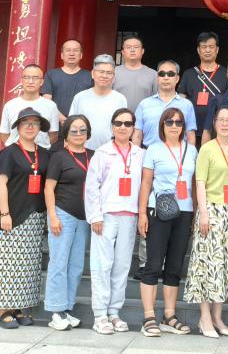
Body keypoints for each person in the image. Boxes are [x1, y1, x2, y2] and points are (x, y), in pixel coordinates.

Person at [184, 105, 228, 338]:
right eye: (221, 119)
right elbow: (200, 182)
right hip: (211, 210)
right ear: (214, 123)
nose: (225, 123)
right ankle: (205, 317)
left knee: (226, 264)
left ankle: (218, 317)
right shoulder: (207, 149)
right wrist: (203, 213)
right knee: (207, 264)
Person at [137, 107, 198, 337]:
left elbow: (195, 183)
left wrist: (196, 212)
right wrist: (142, 213)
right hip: (158, 210)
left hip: (184, 211)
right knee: (153, 264)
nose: (174, 126)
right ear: (162, 125)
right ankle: (149, 316)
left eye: (178, 122)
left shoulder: (192, 150)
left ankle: (169, 316)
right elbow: (146, 183)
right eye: (169, 122)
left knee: (174, 266)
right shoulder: (153, 149)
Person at [84, 108, 143, 335]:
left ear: (133, 128)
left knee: (122, 266)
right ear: (112, 126)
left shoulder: (140, 154)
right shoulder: (102, 153)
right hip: (106, 216)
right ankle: (100, 314)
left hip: (129, 215)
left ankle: (114, 312)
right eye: (118, 123)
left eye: (127, 124)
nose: (122, 127)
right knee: (102, 265)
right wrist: (95, 216)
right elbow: (92, 187)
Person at [0, 107, 50, 329]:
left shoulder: (44, 154)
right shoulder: (9, 153)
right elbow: (0, 183)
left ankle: (19, 309)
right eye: (25, 123)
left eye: (35, 123)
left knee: (28, 265)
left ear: (40, 127)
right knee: (8, 264)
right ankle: (4, 311)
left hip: (36, 216)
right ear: (18, 127)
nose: (30, 127)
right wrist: (4, 213)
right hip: (13, 215)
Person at [43, 114, 92, 331]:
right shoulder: (59, 156)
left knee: (76, 266)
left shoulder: (93, 155)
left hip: (84, 217)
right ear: (66, 133)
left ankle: (67, 308)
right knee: (59, 263)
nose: (79, 134)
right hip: (62, 214)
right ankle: (56, 310)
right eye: (74, 130)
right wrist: (53, 216)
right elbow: (48, 188)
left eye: (83, 130)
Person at [69, 55, 127, 152]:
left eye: (109, 73)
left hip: (111, 151)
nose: (104, 76)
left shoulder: (120, 99)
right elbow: (70, 126)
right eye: (101, 72)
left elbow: (124, 128)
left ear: (113, 77)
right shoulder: (80, 97)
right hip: (82, 150)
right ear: (93, 73)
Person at [134, 60, 197, 148]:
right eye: (162, 74)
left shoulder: (187, 105)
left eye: (170, 74)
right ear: (157, 78)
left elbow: (190, 137)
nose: (166, 77)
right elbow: (137, 136)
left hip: (178, 154)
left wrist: (190, 155)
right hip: (148, 153)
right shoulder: (144, 104)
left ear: (177, 79)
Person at [0, 64, 60, 149]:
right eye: (26, 77)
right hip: (15, 152)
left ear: (42, 82)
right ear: (21, 80)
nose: (30, 81)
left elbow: (53, 135)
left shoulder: (51, 106)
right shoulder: (10, 105)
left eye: (35, 78)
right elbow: (4, 133)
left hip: (41, 153)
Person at [180, 31, 228, 135]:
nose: (207, 50)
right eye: (204, 47)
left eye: (211, 47)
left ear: (217, 50)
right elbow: (181, 100)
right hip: (191, 129)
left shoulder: (227, 74)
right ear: (198, 50)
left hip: (218, 130)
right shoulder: (188, 73)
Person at [42, 39, 94, 122]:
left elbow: (93, 101)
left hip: (82, 123)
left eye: (75, 50)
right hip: (56, 121)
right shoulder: (51, 74)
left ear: (81, 55)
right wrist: (61, 118)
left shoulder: (90, 76)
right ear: (62, 55)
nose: (71, 53)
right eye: (68, 50)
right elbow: (46, 100)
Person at [114, 36, 158, 113]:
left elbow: (157, 99)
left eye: (136, 47)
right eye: (128, 47)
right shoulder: (113, 72)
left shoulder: (153, 74)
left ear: (142, 51)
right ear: (123, 52)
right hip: (118, 118)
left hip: (144, 117)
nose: (132, 50)